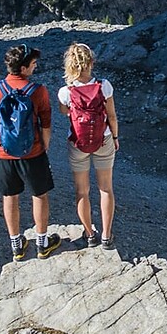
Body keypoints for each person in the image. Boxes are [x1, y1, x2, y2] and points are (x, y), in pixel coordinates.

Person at [0, 44, 62, 262]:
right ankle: (43, 243)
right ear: (24, 67)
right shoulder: (38, 91)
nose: (35, 68)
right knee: (40, 195)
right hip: (33, 153)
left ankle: (17, 245)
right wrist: (44, 147)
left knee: (9, 197)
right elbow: (46, 124)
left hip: (4, 154)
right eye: (33, 64)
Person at [57, 42, 120, 250]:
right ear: (91, 62)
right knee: (106, 188)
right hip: (104, 139)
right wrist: (116, 137)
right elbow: (111, 115)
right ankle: (107, 237)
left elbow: (65, 112)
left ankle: (90, 234)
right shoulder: (104, 86)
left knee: (82, 192)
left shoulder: (65, 92)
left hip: (78, 143)